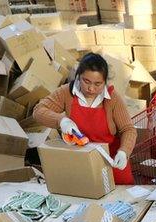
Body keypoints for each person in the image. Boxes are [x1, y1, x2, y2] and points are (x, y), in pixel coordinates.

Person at [34, 53, 135, 184]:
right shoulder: (67, 92)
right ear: (78, 76)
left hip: (112, 161)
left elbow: (128, 129)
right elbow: (38, 111)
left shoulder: (112, 98)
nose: (91, 88)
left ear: (105, 82)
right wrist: (61, 120)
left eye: (98, 84)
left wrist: (124, 152)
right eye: (86, 81)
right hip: (81, 162)